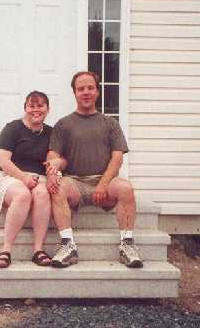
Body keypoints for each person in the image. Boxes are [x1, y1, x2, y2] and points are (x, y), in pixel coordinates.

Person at [45, 71, 143, 268]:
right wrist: (53, 169)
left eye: (90, 88)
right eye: (81, 89)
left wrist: (103, 184)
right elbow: (53, 154)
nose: (86, 92)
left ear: (97, 91)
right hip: (75, 182)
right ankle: (68, 246)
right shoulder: (64, 124)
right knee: (57, 187)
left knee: (126, 188)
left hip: (105, 182)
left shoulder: (110, 123)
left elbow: (117, 158)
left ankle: (127, 245)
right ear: (74, 93)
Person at [0, 91, 53, 268]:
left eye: (40, 106)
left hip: (36, 177)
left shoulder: (51, 133)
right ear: (25, 108)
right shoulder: (13, 128)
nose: (36, 110)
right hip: (7, 176)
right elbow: (4, 161)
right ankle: (5, 250)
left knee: (42, 193)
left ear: (48, 109)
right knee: (23, 195)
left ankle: (38, 250)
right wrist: (23, 177)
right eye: (31, 106)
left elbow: (54, 158)